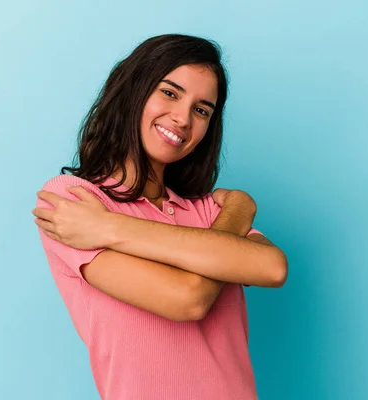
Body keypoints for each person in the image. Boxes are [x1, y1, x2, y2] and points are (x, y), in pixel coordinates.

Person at [32, 33, 288, 400]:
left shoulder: (207, 210)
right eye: (170, 92)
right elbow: (188, 299)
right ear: (133, 90)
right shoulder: (72, 201)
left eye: (202, 110)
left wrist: (109, 227)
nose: (183, 118)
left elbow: (273, 267)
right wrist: (235, 220)